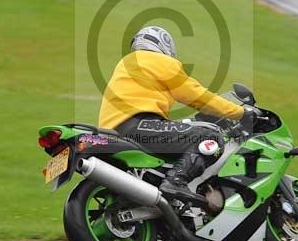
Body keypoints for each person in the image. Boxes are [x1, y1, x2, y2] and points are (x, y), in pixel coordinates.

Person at [98, 26, 257, 202]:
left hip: (114, 131)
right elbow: (198, 96)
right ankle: (175, 181)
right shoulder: (159, 62)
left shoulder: (126, 64)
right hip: (139, 125)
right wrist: (240, 112)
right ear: (164, 45)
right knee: (209, 138)